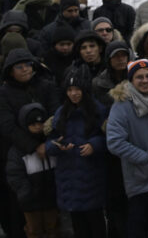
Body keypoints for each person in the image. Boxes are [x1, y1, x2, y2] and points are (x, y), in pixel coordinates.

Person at [106, 59, 148, 238]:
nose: (145, 80)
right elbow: (114, 142)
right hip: (138, 179)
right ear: (131, 80)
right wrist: (144, 158)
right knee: (139, 227)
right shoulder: (121, 105)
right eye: (139, 77)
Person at [46, 66, 108, 238]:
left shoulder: (98, 110)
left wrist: (94, 145)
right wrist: (56, 146)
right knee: (77, 224)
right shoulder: (61, 113)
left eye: (77, 89)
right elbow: (50, 142)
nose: (74, 94)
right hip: (68, 175)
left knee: (96, 224)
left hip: (91, 175)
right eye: (70, 90)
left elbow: (109, 139)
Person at [5, 103, 59, 238]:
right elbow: (14, 174)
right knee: (34, 230)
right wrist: (26, 193)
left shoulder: (51, 142)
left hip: (51, 198)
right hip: (30, 201)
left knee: (53, 228)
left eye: (40, 123)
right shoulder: (18, 149)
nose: (37, 127)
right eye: (33, 124)